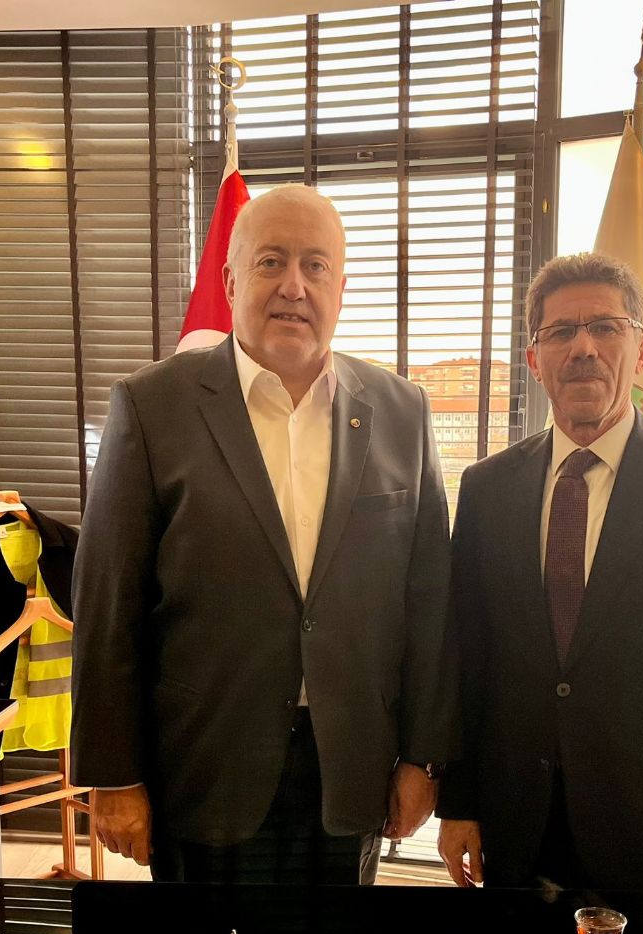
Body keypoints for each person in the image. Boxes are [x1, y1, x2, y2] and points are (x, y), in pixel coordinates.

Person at [71, 184, 453, 884]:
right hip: (202, 765)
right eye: (271, 261)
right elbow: (108, 606)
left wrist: (422, 758)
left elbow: (429, 604)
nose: (293, 286)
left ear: (341, 287)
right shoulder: (152, 406)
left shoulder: (403, 410)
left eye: (315, 265)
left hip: (351, 769)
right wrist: (114, 774)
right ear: (230, 280)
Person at [438, 252, 643, 892]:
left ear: (641, 350)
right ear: (534, 359)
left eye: (604, 327)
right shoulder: (487, 488)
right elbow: (469, 660)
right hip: (516, 829)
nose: (583, 348)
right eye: (561, 332)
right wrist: (459, 803)